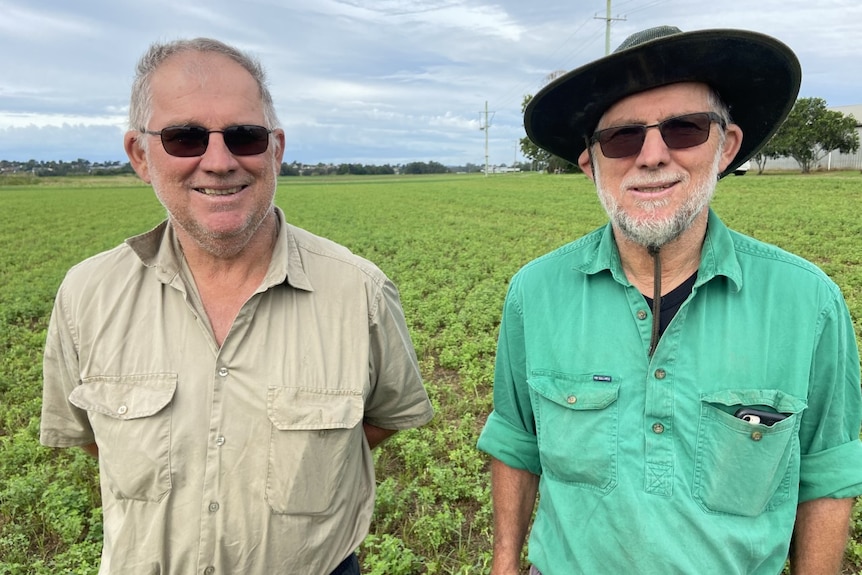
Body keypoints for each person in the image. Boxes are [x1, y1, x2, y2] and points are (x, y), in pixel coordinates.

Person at [39, 38, 434, 575]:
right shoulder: (87, 294)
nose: (220, 162)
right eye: (185, 138)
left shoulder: (359, 290)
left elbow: (383, 419)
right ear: (139, 154)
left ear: (275, 149)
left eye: (245, 137)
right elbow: (93, 438)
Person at [477, 25, 862, 575]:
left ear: (725, 146)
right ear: (591, 164)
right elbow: (516, 441)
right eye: (622, 138)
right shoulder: (535, 292)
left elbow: (827, 471)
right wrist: (505, 563)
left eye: (684, 129)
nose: (653, 156)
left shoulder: (808, 301)